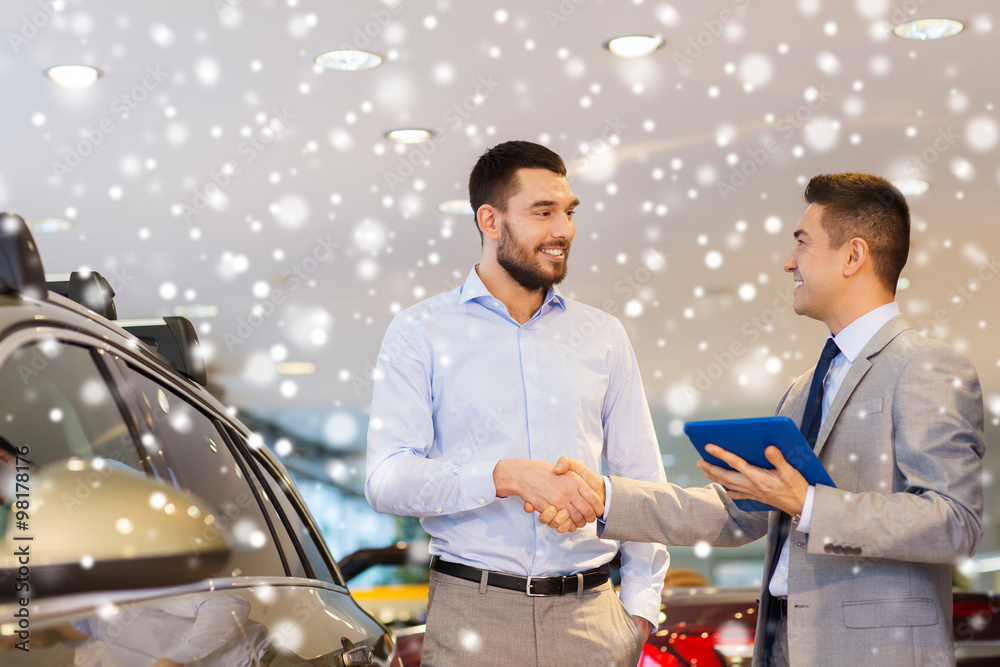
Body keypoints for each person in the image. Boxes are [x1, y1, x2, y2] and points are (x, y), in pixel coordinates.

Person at [541, 173, 985, 666]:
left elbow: (955, 523)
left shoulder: (927, 366)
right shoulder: (802, 389)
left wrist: (809, 503)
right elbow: (738, 513)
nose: (788, 261)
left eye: (802, 243)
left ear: (853, 256)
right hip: (783, 648)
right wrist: (604, 497)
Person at [365, 140, 668, 666]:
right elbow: (387, 479)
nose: (564, 230)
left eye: (568, 212)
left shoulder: (603, 335)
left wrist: (639, 610)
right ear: (490, 219)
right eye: (542, 212)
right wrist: (503, 476)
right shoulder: (420, 332)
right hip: (472, 618)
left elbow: (640, 478)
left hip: (591, 619)